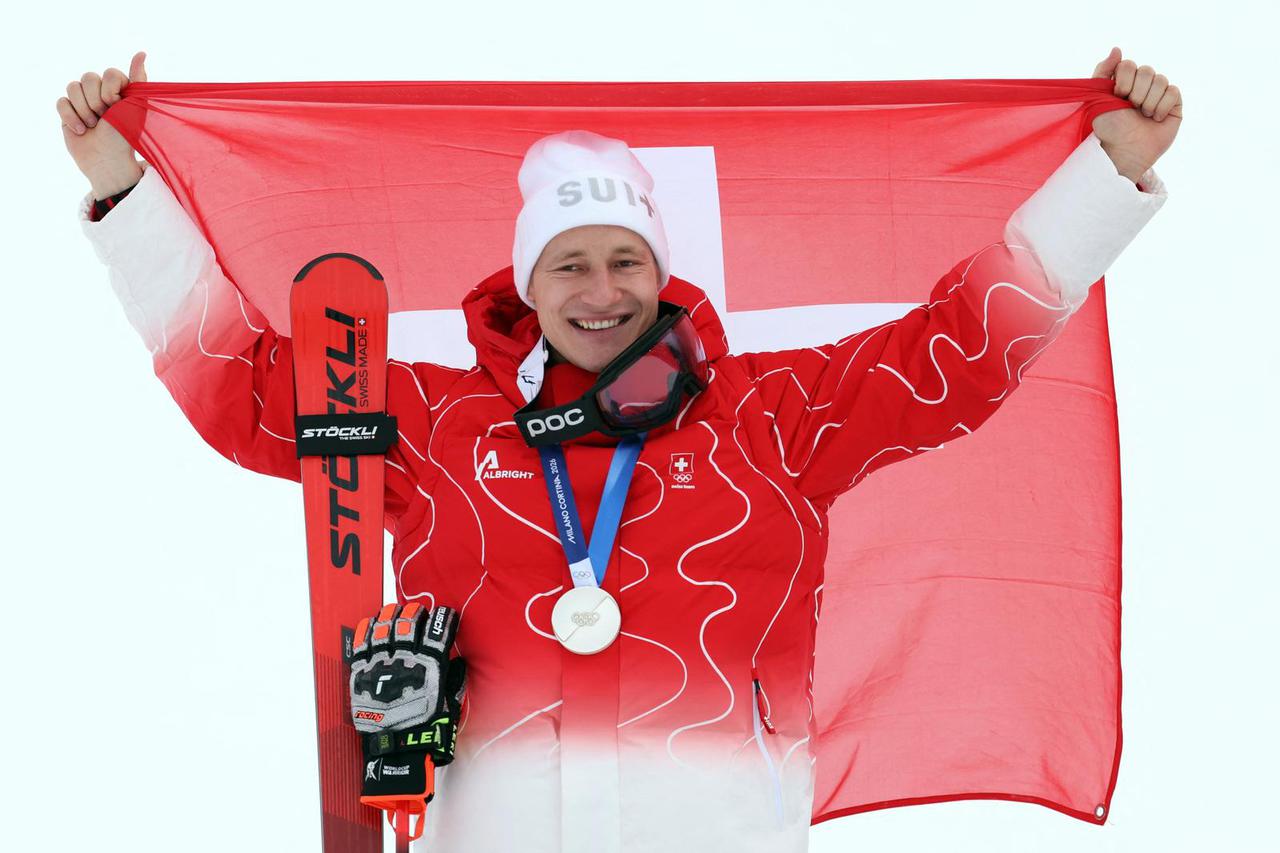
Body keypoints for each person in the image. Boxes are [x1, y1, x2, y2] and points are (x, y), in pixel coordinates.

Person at [63, 49, 1179, 853]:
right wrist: (125, 189)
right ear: (524, 284)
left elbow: (954, 352)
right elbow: (237, 388)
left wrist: (1104, 176)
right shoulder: (437, 427)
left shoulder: (769, 415)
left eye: (624, 261)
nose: (600, 291)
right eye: (568, 265)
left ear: (659, 273)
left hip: (716, 824)